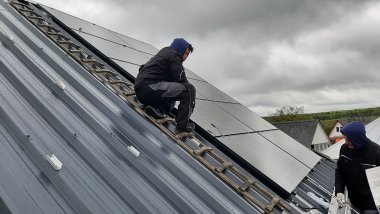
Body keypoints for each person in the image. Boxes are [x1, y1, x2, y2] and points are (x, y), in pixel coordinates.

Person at [134, 38, 196, 133]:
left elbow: (142, 67)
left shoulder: (164, 52)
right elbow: (182, 79)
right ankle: (182, 125)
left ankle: (156, 109)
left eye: (188, 55)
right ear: (180, 48)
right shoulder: (174, 56)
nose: (186, 57)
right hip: (151, 88)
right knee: (189, 90)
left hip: (141, 89)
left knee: (173, 92)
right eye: (186, 53)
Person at [335, 121, 380, 213]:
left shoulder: (376, 153)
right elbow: (340, 171)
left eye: (348, 140)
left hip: (371, 206)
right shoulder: (344, 149)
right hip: (354, 203)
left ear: (357, 139)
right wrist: (339, 191)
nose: (346, 143)